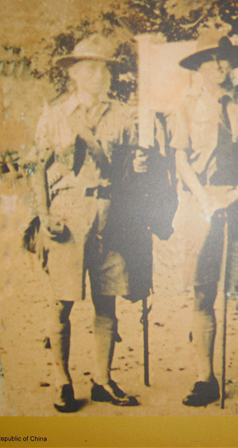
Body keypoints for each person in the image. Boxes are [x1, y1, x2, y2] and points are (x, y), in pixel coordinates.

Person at [29, 34, 147, 411]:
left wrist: (140, 167)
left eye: (104, 70)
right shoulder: (55, 116)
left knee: (106, 301)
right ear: (74, 74)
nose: (98, 76)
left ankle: (102, 379)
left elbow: (129, 170)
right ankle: (62, 381)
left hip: (110, 215)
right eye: (90, 69)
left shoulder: (123, 116)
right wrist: (44, 214)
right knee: (61, 302)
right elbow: (36, 169)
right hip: (67, 215)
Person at [172, 29, 238, 407]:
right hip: (201, 206)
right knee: (203, 292)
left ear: (232, 63)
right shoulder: (185, 107)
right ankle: (205, 378)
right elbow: (180, 157)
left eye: (223, 58)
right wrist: (204, 197)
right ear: (198, 67)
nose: (217, 65)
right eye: (209, 59)